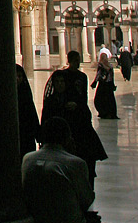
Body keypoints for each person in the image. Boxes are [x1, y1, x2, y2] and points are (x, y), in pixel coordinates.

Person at [41, 50, 108, 188]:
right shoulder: (55, 101)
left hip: (81, 125)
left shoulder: (82, 77)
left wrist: (77, 105)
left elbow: (83, 98)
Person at [16, 64, 41, 158]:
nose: (17, 79)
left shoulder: (25, 95)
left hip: (26, 136)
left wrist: (38, 135)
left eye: (20, 76)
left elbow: (32, 114)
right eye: (15, 76)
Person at [91, 49, 118, 119]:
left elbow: (98, 75)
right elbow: (112, 76)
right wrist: (113, 85)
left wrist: (94, 83)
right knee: (110, 100)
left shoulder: (101, 65)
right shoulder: (110, 66)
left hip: (102, 85)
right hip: (109, 85)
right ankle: (110, 113)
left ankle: (103, 113)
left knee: (98, 99)